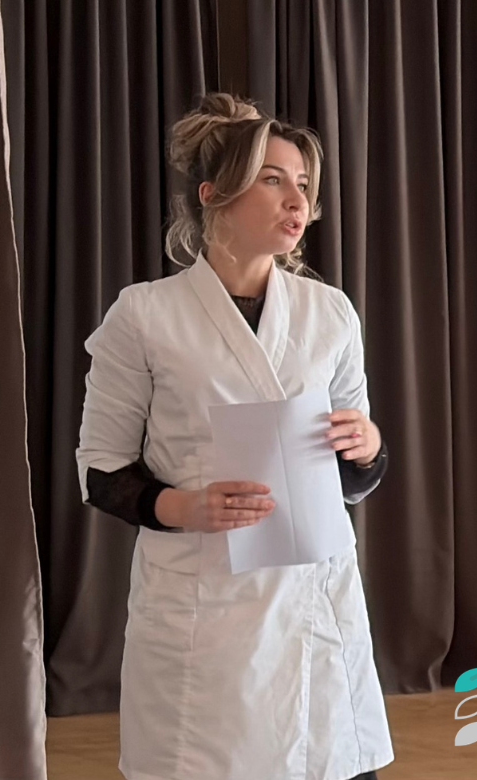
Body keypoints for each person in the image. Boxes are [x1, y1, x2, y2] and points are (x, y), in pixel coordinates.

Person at [76, 92, 394, 780]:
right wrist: (183, 507)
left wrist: (368, 448)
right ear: (213, 195)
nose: (297, 200)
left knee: (329, 760)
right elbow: (102, 469)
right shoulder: (145, 315)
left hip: (313, 594)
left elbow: (354, 476)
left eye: (303, 184)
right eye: (273, 180)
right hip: (203, 602)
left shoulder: (330, 313)